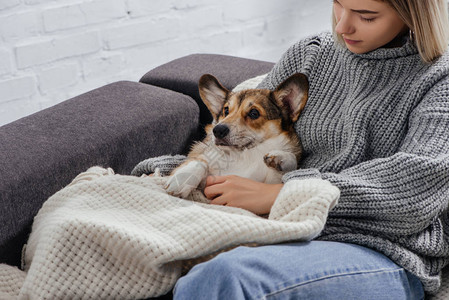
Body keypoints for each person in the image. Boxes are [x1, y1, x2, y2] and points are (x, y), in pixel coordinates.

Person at [139, 0, 449, 298]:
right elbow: (250, 134)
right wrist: (176, 168)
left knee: (223, 276)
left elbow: (416, 189)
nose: (342, 26)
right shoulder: (311, 54)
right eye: (337, 3)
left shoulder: (439, 78)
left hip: (379, 248)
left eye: (366, 16)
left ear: (414, 12)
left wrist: (280, 194)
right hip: (284, 224)